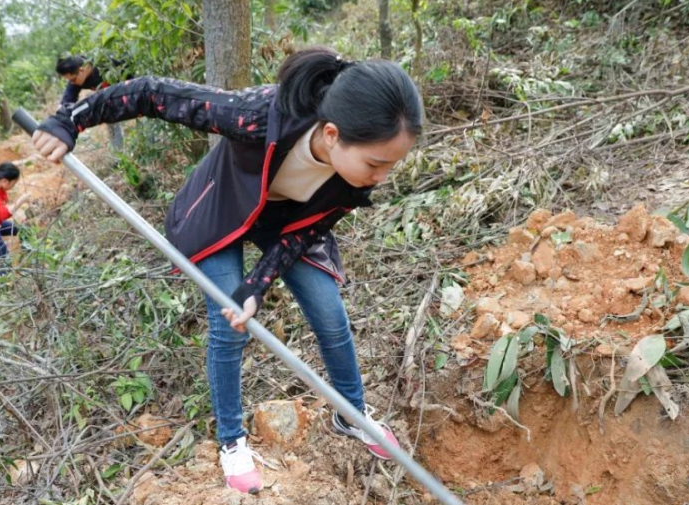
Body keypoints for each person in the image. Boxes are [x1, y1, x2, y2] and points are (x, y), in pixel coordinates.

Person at [32, 46, 422, 495]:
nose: (382, 177)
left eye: (392, 164)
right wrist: (72, 119)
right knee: (229, 326)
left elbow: (304, 233)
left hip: (285, 223)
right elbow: (152, 94)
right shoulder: (260, 115)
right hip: (221, 209)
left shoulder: (352, 183)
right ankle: (231, 440)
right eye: (376, 163)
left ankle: (351, 413)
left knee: (330, 314)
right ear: (332, 134)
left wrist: (257, 284)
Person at [55, 54, 128, 152]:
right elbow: (65, 104)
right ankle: (119, 153)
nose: (72, 83)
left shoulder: (105, 63)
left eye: (73, 80)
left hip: (134, 91)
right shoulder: (76, 78)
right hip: (111, 100)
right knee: (110, 114)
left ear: (81, 70)